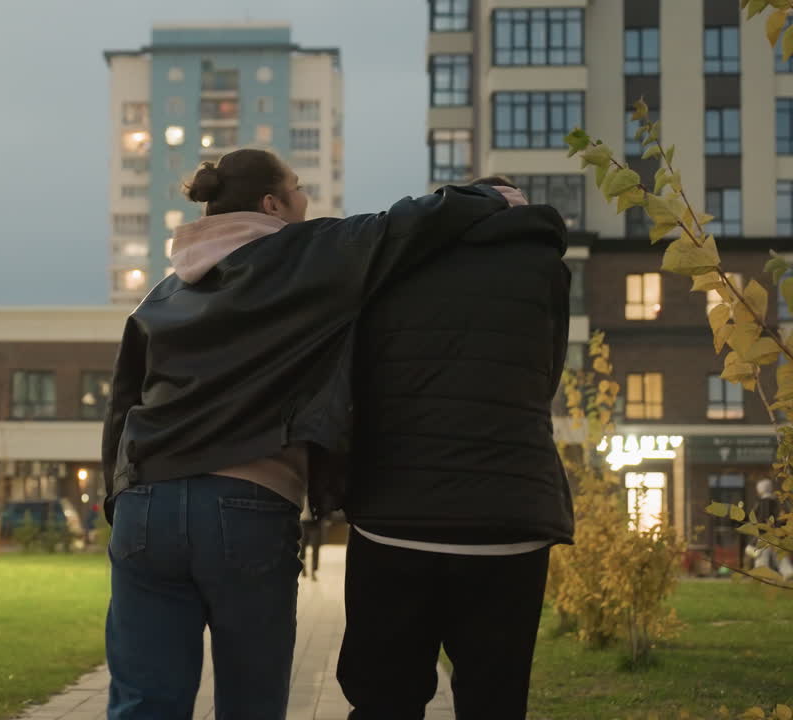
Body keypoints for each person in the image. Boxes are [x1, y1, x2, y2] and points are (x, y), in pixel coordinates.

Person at [102, 148, 521, 720]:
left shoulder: (162, 294)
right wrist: (490, 196)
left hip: (145, 506)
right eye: (297, 188)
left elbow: (123, 403)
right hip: (245, 502)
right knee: (250, 703)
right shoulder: (304, 255)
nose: (305, 200)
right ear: (272, 204)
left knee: (143, 704)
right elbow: (401, 226)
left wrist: (119, 498)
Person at [336, 175, 574, 720]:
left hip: (394, 515)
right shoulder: (544, 267)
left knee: (383, 700)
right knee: (494, 701)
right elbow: (546, 374)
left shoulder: (394, 258)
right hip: (508, 517)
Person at [299, 499, 324, 582]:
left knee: (315, 547)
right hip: (302, 523)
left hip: (315, 523)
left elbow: (322, 505)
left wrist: (320, 517)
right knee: (302, 548)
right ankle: (303, 568)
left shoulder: (315, 493)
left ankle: (313, 571)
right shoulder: (299, 492)